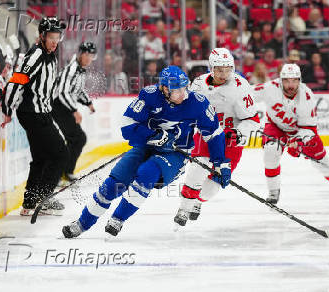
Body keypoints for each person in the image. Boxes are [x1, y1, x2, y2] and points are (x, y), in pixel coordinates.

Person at [62, 65, 231, 238]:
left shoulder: (198, 103)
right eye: (176, 90)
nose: (183, 93)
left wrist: (221, 163)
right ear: (164, 89)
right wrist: (153, 135)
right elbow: (127, 125)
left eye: (184, 88)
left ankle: (118, 219)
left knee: (146, 174)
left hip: (174, 154)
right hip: (146, 147)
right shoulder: (149, 95)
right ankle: (82, 223)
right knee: (111, 186)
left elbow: (214, 133)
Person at [253, 63, 329, 204]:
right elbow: (246, 95)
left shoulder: (306, 96)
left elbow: (308, 128)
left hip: (301, 131)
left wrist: (298, 142)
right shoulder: (269, 88)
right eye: (286, 80)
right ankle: (273, 191)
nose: (290, 85)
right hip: (276, 126)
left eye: (294, 80)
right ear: (280, 80)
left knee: (322, 163)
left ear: (299, 80)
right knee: (270, 152)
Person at [173, 48, 260, 227]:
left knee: (213, 187)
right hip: (207, 136)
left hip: (230, 142)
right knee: (198, 169)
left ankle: (197, 202)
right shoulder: (198, 84)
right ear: (211, 68)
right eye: (220, 70)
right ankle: (184, 207)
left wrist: (239, 133)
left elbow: (252, 120)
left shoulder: (241, 86)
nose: (224, 74)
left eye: (228, 69)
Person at [1, 17, 68, 216]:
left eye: (58, 37)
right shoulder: (36, 54)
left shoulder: (50, 55)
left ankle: (30, 202)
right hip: (33, 114)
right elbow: (16, 81)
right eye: (51, 37)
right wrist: (7, 109)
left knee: (41, 158)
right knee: (60, 154)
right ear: (42, 36)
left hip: (41, 112)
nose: (55, 41)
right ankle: (44, 197)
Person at [52, 42, 97, 183]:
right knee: (77, 138)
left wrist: (88, 102)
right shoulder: (71, 69)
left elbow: (77, 91)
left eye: (92, 56)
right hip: (59, 107)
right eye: (87, 55)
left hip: (65, 107)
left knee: (76, 139)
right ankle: (61, 173)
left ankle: (64, 172)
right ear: (81, 54)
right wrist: (74, 111)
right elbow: (62, 93)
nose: (89, 58)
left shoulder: (80, 70)